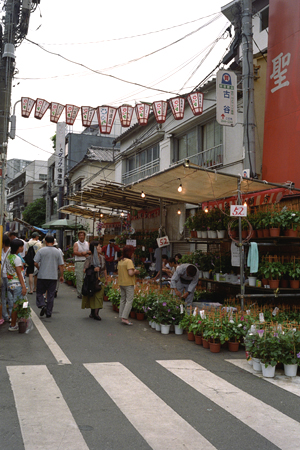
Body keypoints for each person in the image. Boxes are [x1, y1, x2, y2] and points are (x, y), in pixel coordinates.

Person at [34, 234, 64, 318]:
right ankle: (49, 312)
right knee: (51, 295)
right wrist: (61, 275)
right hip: (53, 276)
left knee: (39, 292)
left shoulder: (41, 251)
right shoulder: (58, 251)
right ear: (54, 242)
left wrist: (39, 268)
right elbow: (61, 265)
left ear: (46, 242)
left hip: (42, 275)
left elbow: (35, 262)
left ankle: (42, 305)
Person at [81, 240, 107, 321]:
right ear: (95, 248)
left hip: (100, 279)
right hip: (92, 279)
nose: (100, 248)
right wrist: (93, 269)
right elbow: (85, 270)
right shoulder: (89, 258)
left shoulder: (102, 257)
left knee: (99, 296)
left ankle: (96, 313)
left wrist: (106, 279)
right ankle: (93, 312)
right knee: (92, 295)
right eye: (99, 246)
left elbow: (104, 269)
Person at [5, 239, 27, 331]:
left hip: (10, 283)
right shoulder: (17, 258)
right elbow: (19, 273)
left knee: (16, 303)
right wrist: (24, 286)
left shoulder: (9, 257)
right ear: (18, 248)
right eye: (21, 246)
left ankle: (18, 321)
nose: (22, 248)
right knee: (17, 305)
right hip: (17, 284)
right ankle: (13, 324)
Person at [117, 245, 139, 325]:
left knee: (123, 299)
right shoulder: (129, 261)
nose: (133, 254)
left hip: (121, 282)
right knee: (129, 300)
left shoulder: (120, 260)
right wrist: (135, 271)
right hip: (128, 283)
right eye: (132, 252)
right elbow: (130, 273)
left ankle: (121, 315)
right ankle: (125, 317)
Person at [73, 230, 90, 299]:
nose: (81, 237)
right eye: (80, 235)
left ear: (84, 236)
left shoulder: (87, 243)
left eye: (82, 235)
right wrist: (83, 254)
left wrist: (85, 253)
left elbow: (90, 251)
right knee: (79, 278)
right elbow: (75, 252)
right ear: (78, 236)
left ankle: (86, 292)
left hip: (87, 262)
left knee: (87, 278)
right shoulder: (76, 244)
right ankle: (80, 293)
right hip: (79, 262)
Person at [1, 234, 12, 323]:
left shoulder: (11, 251)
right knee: (2, 297)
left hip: (9, 277)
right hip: (1, 276)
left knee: (10, 296)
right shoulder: (0, 251)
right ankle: (5, 316)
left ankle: (11, 315)